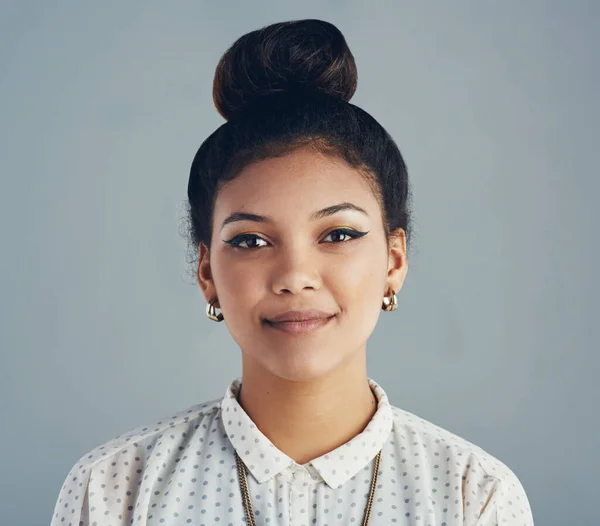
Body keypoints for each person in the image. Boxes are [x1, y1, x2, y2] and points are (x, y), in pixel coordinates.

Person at [50, 18, 534, 526]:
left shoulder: (474, 495)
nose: (295, 276)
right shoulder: (114, 489)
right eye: (251, 240)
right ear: (207, 271)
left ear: (394, 261)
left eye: (339, 235)